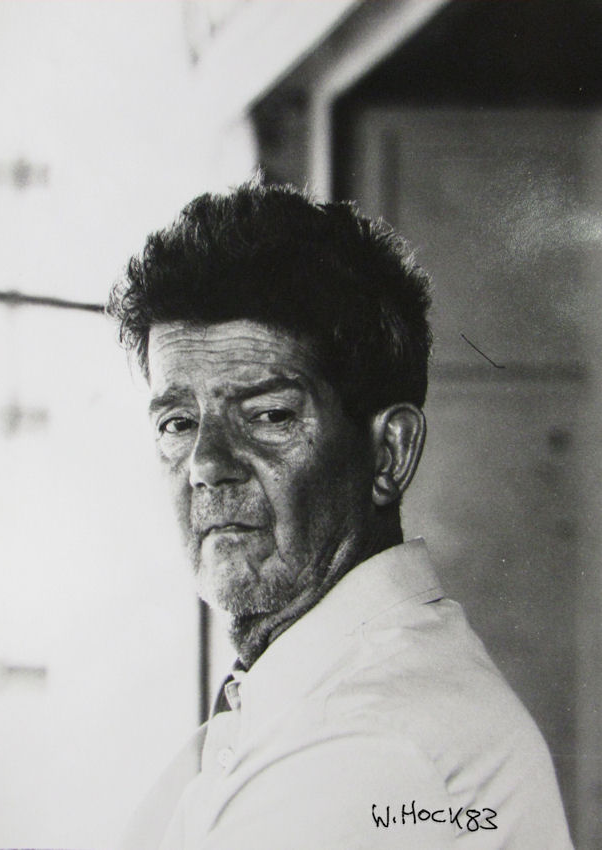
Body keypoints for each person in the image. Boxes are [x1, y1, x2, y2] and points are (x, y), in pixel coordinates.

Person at [107, 180, 573, 849]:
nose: (206, 463)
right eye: (178, 423)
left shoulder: (364, 741)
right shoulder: (314, 691)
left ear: (388, 453)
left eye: (268, 415)